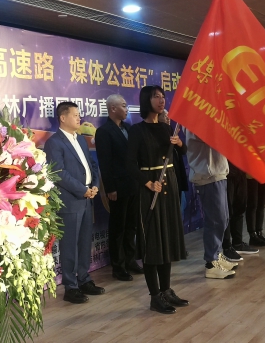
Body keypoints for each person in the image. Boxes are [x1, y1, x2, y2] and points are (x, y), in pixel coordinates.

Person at [126, 85, 188, 314]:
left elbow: (182, 153)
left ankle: (166, 290)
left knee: (166, 240)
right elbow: (129, 165)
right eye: (156, 97)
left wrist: (180, 144)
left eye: (163, 97)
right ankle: (155, 296)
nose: (162, 100)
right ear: (146, 101)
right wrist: (148, 183)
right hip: (150, 189)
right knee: (152, 242)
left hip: (169, 186)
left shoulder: (167, 127)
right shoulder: (137, 130)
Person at [44, 101, 105, 304]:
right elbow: (59, 173)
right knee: (69, 245)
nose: (79, 118)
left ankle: (84, 279)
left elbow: (92, 165)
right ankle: (70, 286)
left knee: (85, 241)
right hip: (70, 200)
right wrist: (82, 189)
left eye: (79, 115)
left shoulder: (79, 139)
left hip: (87, 198)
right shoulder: (54, 143)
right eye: (75, 115)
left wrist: (94, 185)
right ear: (63, 118)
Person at [95, 94, 143, 282]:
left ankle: (131, 260)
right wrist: (110, 188)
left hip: (133, 184)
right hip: (118, 186)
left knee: (131, 225)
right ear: (113, 108)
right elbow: (105, 163)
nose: (126, 109)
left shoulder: (129, 128)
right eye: (123, 106)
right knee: (118, 227)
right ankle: (118, 266)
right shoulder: (104, 132)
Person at [184, 128, 237, 279]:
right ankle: (211, 262)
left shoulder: (209, 121)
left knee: (223, 218)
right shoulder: (197, 124)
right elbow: (215, 139)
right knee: (215, 220)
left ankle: (217, 254)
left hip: (218, 173)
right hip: (207, 176)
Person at [222, 162, 258, 260]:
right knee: (227, 211)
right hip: (227, 174)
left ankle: (238, 243)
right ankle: (227, 247)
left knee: (240, 208)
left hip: (241, 172)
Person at [246, 178, 265, 246]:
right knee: (252, 205)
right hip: (251, 177)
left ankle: (259, 233)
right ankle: (253, 235)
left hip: (264, 176)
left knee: (261, 205)